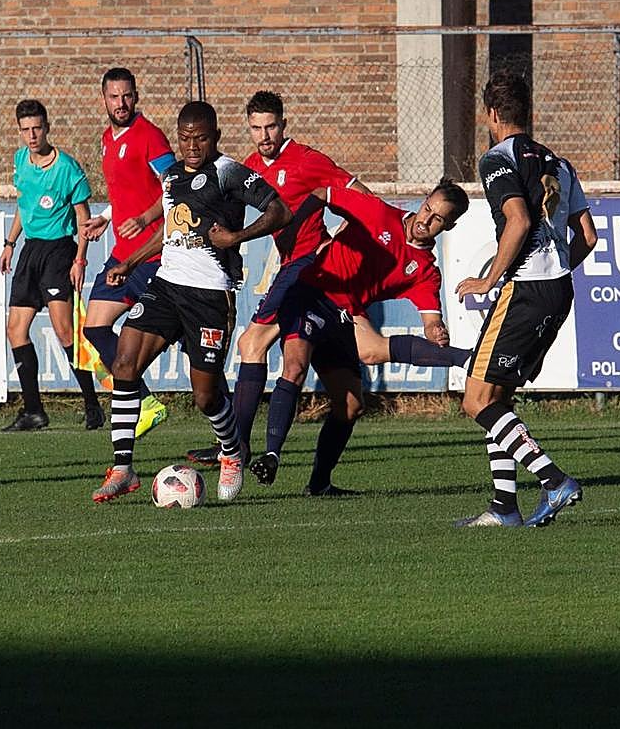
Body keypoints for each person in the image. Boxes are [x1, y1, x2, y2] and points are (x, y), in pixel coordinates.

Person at [183, 91, 469, 467]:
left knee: (253, 344)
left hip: (308, 267)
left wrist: (349, 225)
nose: (264, 135)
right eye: (256, 128)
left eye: (271, 126)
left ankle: (234, 449)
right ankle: (272, 461)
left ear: (283, 125)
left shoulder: (308, 160)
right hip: (319, 280)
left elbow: (353, 194)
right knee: (361, 360)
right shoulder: (251, 166)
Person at [92, 100, 290, 504]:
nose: (193, 146)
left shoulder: (229, 171)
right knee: (124, 363)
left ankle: (231, 451)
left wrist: (236, 238)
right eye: (185, 139)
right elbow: (170, 229)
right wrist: (130, 262)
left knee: (205, 396)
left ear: (215, 136)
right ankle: (123, 469)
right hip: (167, 285)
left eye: (201, 138)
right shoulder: (171, 177)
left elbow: (280, 211)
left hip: (209, 295)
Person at [245, 178, 470, 499]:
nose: (426, 220)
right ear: (423, 201)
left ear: (450, 226)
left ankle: (319, 485)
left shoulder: (425, 271)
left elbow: (431, 321)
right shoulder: (378, 213)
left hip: (343, 315)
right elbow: (321, 192)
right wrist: (294, 230)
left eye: (438, 219)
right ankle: (271, 455)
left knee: (351, 405)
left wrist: (437, 331)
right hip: (311, 291)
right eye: (427, 209)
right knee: (294, 366)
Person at [453, 71, 597, 528]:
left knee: (475, 400)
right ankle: (504, 507)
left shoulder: (498, 159)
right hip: (558, 288)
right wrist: (556, 270)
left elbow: (517, 220)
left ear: (492, 114)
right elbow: (588, 237)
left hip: (526, 289)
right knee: (499, 396)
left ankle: (554, 480)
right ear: (527, 112)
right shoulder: (560, 163)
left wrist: (488, 279)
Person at [79, 68, 176, 438]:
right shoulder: (107, 138)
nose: (121, 103)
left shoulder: (150, 136)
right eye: (114, 97)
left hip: (152, 254)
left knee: (187, 343)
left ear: (136, 96)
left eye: (127, 96)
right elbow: (126, 191)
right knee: (94, 327)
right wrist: (106, 217)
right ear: (104, 99)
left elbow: (175, 189)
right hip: (122, 253)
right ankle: (146, 402)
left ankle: (227, 431)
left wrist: (147, 218)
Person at [0, 98, 100, 431]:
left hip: (59, 251)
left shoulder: (67, 167)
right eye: (25, 129)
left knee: (64, 330)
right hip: (30, 251)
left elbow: (83, 217)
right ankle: (33, 411)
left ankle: (92, 404)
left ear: (47, 128)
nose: (31, 135)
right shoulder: (20, 160)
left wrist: (79, 259)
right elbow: (23, 205)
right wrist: (10, 244)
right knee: (15, 330)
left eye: (37, 128)